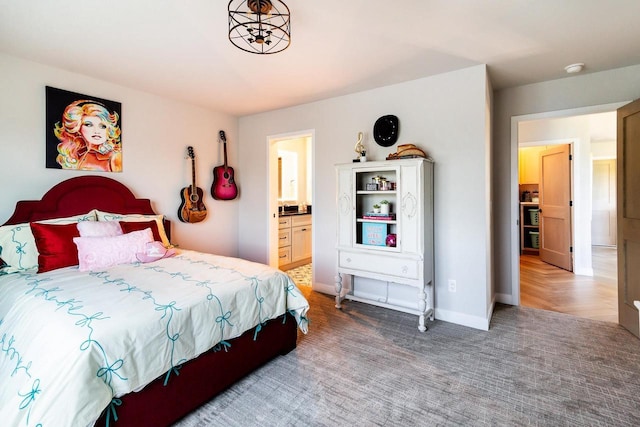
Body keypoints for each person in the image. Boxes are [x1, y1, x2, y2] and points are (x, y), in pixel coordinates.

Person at [54, 100, 122, 171]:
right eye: (88, 125)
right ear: (78, 128)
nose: (96, 131)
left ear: (109, 130)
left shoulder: (115, 156)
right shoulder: (78, 154)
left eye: (102, 126)